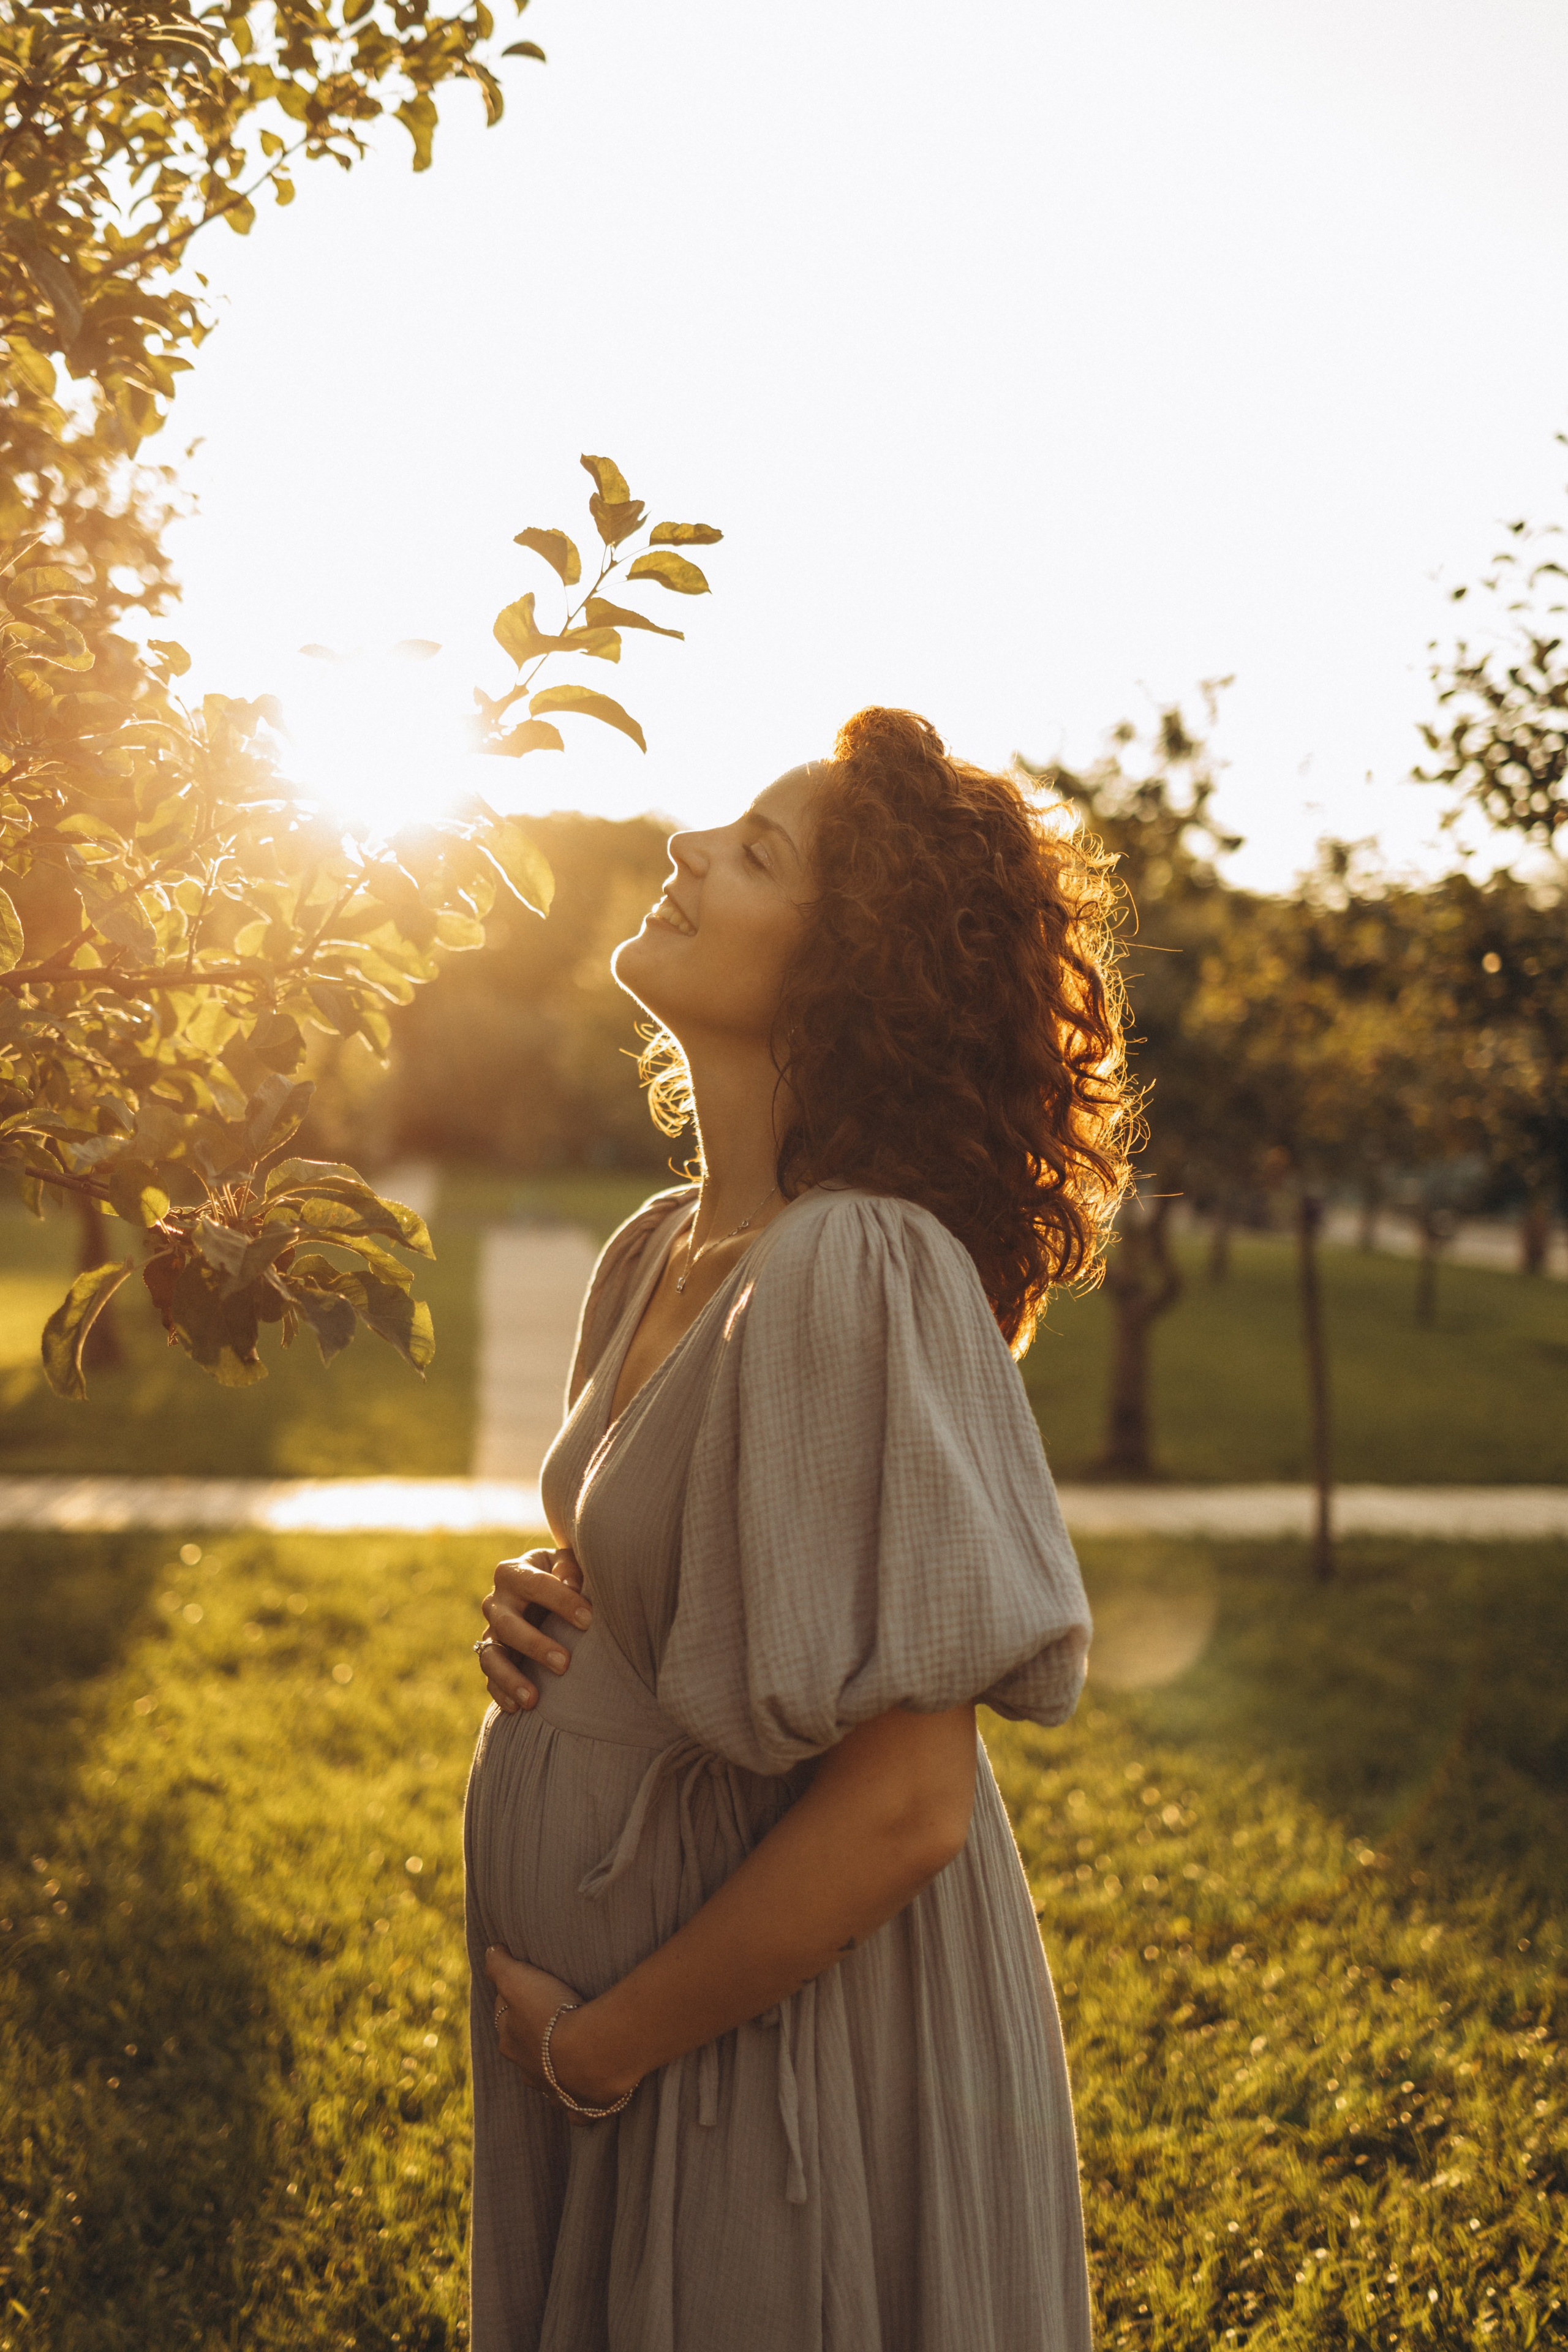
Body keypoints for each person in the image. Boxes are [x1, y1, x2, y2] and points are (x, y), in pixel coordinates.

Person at [465, 705, 1131, 2351]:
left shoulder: (861, 1265)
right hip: (645, 2044)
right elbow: (707, 1570)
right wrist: (562, 1608)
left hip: (761, 2060)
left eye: (754, 851)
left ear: (851, 974)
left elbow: (910, 1801)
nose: (686, 850)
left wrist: (606, 2044)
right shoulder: (661, 1247)